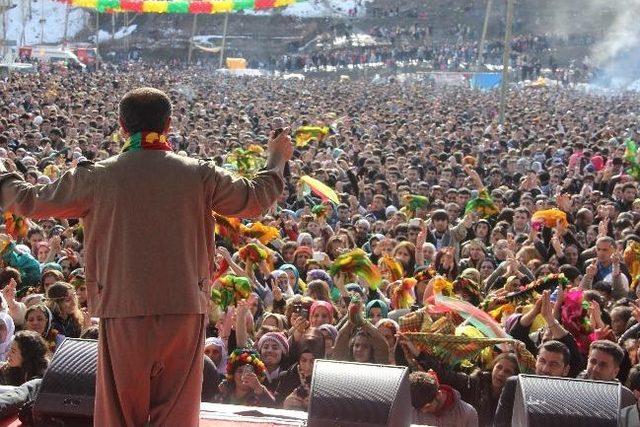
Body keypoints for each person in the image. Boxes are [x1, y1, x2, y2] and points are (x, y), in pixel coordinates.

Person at [0, 87, 293, 426]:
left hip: (123, 309)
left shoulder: (97, 176)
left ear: (122, 126)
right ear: (168, 125)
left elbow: (31, 200)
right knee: (177, 415)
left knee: (120, 413)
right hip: (183, 308)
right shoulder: (199, 174)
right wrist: (276, 157)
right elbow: (255, 198)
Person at [409, 370, 478, 426]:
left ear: (439, 395)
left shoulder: (468, 413)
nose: (423, 411)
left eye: (427, 406)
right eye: (419, 409)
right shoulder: (411, 411)